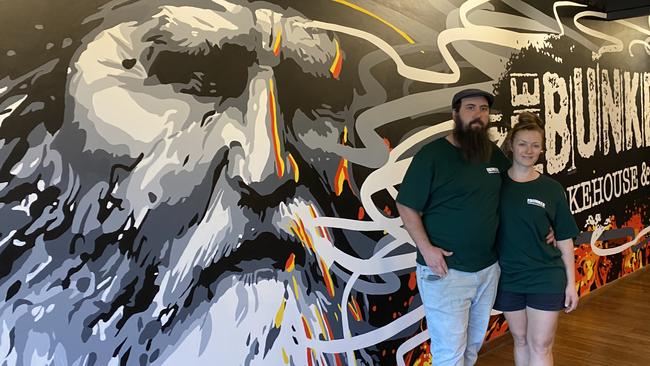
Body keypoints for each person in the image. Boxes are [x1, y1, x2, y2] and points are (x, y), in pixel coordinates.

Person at [396, 88, 511, 366]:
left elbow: (513, 195)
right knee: (450, 353)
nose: (478, 115)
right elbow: (406, 205)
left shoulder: (492, 154)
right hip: (445, 272)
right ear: (455, 114)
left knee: (471, 348)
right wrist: (426, 249)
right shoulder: (432, 155)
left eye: (484, 109)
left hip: (486, 269)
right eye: (470, 108)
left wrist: (545, 224)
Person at [493, 111, 579, 366]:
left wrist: (571, 284)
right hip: (508, 277)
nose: (528, 150)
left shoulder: (551, 189)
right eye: (522, 144)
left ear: (541, 149)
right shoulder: (494, 186)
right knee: (520, 340)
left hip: (545, 276)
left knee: (540, 345)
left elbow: (564, 238)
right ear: (511, 145)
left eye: (535, 145)